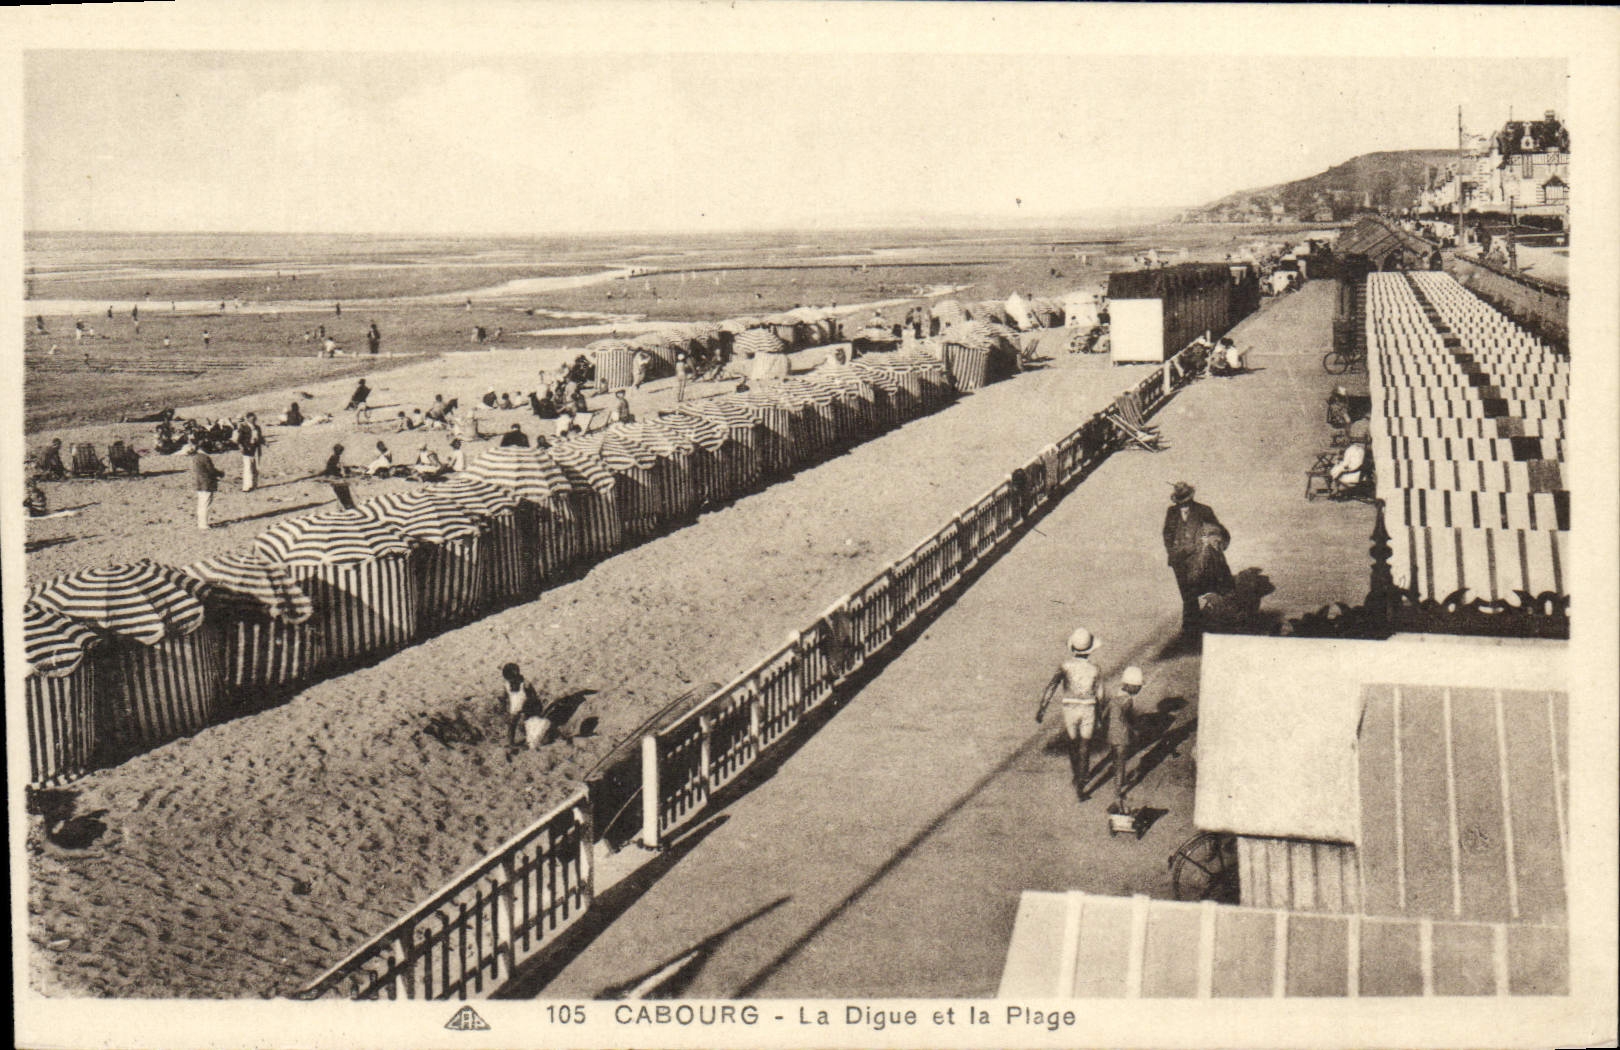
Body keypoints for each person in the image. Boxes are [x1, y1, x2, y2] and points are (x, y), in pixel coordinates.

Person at [1038, 627, 1104, 802]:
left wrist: (1042, 708)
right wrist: (1101, 716)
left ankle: (1076, 775)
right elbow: (1100, 694)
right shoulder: (1095, 668)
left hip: (1070, 709)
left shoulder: (1065, 666)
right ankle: (1082, 783)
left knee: (1073, 744)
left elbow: (1051, 686)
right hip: (1088, 708)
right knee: (1085, 746)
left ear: (1073, 648)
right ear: (1090, 650)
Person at [1162, 482, 1228, 634]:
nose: (1183, 503)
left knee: (1198, 589)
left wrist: (1209, 544)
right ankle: (1192, 625)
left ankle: (1192, 626)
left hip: (1198, 556)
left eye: (1185, 499)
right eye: (1180, 500)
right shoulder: (1171, 512)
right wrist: (1171, 552)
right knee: (1186, 592)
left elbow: (1216, 530)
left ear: (1191, 497)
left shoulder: (1204, 510)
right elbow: (1167, 534)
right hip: (1179, 558)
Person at [1105, 666, 1145, 809]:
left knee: (1116, 761)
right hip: (1122, 735)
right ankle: (1118, 794)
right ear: (1129, 686)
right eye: (1137, 687)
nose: (1139, 689)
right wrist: (1136, 730)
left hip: (1111, 734)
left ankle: (1118, 783)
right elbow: (1130, 720)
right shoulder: (1127, 701)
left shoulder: (1115, 697)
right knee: (1121, 764)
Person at [500, 662, 552, 751]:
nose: (512, 682)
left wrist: (527, 707)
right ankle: (511, 742)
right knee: (512, 724)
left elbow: (533, 697)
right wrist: (503, 705)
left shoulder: (525, 684)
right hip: (515, 707)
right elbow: (505, 696)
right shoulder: (507, 684)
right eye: (510, 680)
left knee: (528, 724)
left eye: (513, 679)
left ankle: (531, 741)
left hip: (527, 707)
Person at [187, 440, 223, 530]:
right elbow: (211, 470)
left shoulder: (195, 457)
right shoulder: (205, 458)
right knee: (206, 504)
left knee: (201, 504)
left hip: (199, 482)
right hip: (207, 483)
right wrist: (220, 474)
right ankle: (204, 524)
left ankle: (201, 522)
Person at [237, 412, 264, 491]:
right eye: (252, 419)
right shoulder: (243, 427)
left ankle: (254, 485)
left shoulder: (257, 427)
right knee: (248, 468)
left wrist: (265, 442)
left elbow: (260, 437)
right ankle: (246, 486)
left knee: (256, 468)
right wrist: (241, 446)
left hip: (256, 450)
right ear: (248, 419)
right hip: (247, 450)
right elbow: (239, 439)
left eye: (254, 419)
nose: (253, 420)